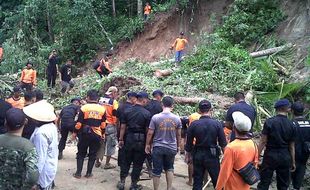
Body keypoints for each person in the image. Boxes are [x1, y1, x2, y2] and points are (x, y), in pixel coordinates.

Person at [185, 100, 227, 189]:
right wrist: (226, 157)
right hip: (212, 155)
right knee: (217, 180)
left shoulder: (194, 124)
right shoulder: (217, 124)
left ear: (199, 110)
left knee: (197, 180)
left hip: (198, 154)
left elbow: (188, 143)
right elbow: (223, 143)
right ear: (210, 109)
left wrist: (188, 156)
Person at [257, 99, 296, 190]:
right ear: (286, 109)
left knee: (264, 182)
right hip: (285, 156)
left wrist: (256, 156)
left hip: (270, 155)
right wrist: (293, 161)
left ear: (277, 109)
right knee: (283, 184)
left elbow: (263, 141)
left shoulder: (269, 122)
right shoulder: (292, 124)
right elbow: (291, 146)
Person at [145, 96, 182, 190]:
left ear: (162, 104)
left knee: (156, 170)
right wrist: (178, 146)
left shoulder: (155, 117)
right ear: (172, 105)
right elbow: (178, 135)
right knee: (169, 168)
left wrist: (147, 145)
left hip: (158, 147)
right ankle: (169, 188)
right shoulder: (177, 118)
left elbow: (150, 132)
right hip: (171, 147)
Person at [216, 112, 259, 190]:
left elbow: (225, 171)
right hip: (246, 184)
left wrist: (218, 187)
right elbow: (255, 164)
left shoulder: (231, 147)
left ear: (234, 128)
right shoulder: (253, 143)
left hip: (232, 186)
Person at [118, 92, 151, 190]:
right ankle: (133, 185)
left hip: (128, 138)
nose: (147, 102)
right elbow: (147, 130)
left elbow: (122, 127)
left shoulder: (127, 111)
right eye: (147, 100)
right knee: (138, 163)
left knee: (126, 161)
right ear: (144, 100)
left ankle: (122, 182)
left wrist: (120, 139)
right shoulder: (147, 113)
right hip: (141, 140)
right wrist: (148, 144)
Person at [0, 108, 39, 189]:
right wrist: (26, 187)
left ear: (5, 123)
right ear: (26, 121)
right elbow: (33, 176)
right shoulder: (28, 146)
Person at [23, 100, 58, 190]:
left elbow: (40, 157)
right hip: (50, 167)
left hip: (42, 173)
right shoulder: (51, 126)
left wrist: (34, 181)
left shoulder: (41, 133)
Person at [72, 90, 106, 178]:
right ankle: (88, 173)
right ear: (97, 99)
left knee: (81, 153)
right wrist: (103, 134)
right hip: (96, 134)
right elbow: (103, 124)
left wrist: (74, 133)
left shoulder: (84, 108)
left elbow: (79, 123)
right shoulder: (102, 109)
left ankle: (78, 173)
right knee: (93, 153)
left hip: (85, 134)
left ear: (88, 98)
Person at [96, 86, 119, 169]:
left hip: (100, 124)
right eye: (116, 93)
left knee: (100, 142)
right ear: (113, 93)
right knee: (110, 144)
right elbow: (115, 113)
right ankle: (107, 163)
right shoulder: (114, 102)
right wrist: (115, 123)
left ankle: (97, 161)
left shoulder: (100, 100)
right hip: (110, 125)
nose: (116, 95)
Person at [291, 102, 310, 190]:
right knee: (301, 169)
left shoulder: (291, 124)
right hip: (305, 153)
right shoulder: (309, 123)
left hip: (292, 154)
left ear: (292, 111)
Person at [116, 91, 138, 167]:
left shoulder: (120, 106)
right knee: (129, 149)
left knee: (121, 147)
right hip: (129, 131)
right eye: (135, 99)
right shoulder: (133, 108)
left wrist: (118, 131)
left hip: (119, 130)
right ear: (132, 98)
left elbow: (117, 120)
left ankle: (120, 163)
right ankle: (127, 165)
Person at [185, 111, 202, 186]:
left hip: (192, 141)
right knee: (203, 162)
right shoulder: (205, 118)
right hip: (201, 141)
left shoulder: (192, 116)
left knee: (191, 162)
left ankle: (190, 181)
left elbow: (189, 127)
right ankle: (205, 181)